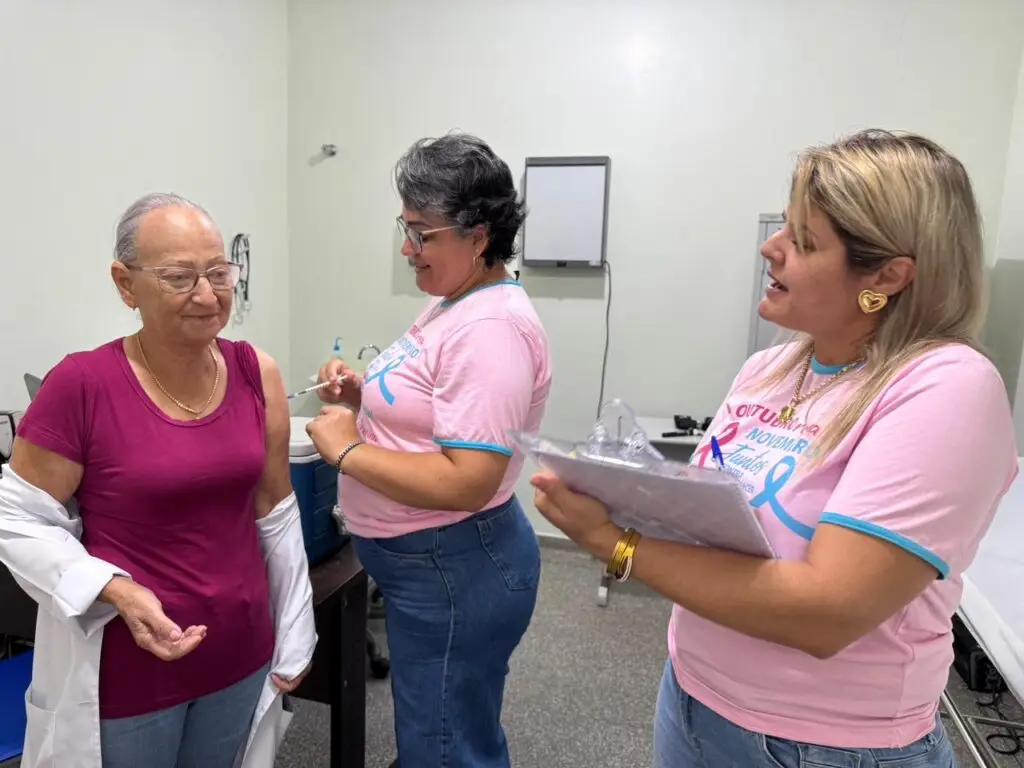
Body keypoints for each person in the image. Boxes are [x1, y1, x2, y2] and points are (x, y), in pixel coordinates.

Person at [531, 130, 1018, 768]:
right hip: (694, 697)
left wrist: (615, 543)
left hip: (826, 745)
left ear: (888, 276)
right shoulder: (771, 366)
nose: (771, 247)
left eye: (804, 240)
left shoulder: (946, 388)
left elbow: (826, 613)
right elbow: (717, 519)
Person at [0, 193, 317, 768]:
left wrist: (296, 622)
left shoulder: (255, 372)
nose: (207, 294)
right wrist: (112, 588)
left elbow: (274, 507)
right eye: (179, 277)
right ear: (126, 285)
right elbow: (13, 515)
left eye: (219, 272)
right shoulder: (82, 385)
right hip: (128, 668)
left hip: (239, 653)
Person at [306, 133, 551, 768]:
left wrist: (348, 453)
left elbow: (468, 479)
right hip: (436, 567)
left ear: (478, 234)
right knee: (446, 731)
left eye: (421, 232)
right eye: (405, 227)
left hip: (454, 569)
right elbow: (436, 410)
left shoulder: (490, 328)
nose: (406, 248)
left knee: (445, 745)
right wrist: (366, 397)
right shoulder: (453, 302)